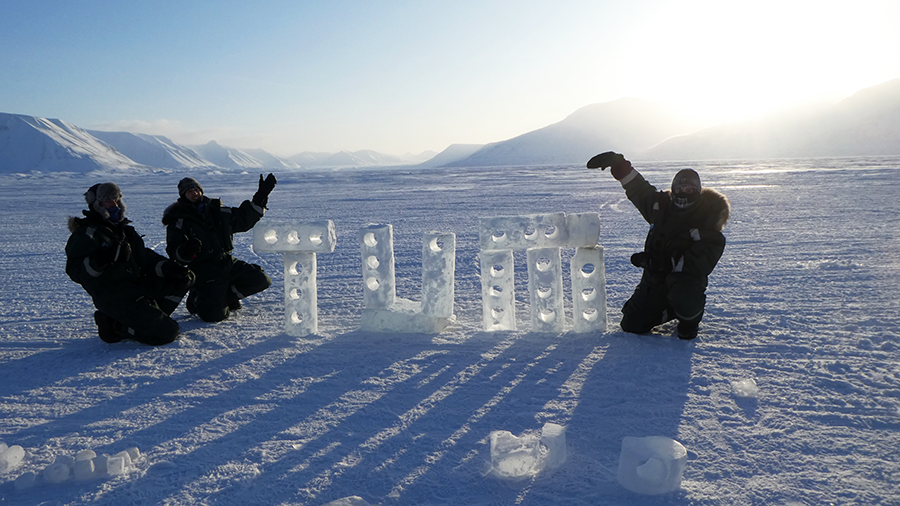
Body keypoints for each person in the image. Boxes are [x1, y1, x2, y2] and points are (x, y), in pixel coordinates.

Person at [587, 151, 730, 340]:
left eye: (689, 189)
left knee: (683, 290)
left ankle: (689, 319)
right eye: (680, 187)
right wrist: (620, 165)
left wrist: (661, 263)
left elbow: (700, 263)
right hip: (654, 280)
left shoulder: (707, 220)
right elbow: (639, 190)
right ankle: (669, 309)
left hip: (684, 282)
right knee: (632, 325)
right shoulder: (661, 207)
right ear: (673, 188)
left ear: (697, 190)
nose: (684, 192)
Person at [66, 183, 195, 345]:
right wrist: (102, 259)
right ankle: (117, 326)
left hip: (136, 286)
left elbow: (145, 258)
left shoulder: (124, 231)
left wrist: (169, 268)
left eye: (116, 200)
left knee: (185, 277)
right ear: (96, 205)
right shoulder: (87, 233)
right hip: (113, 294)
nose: (113, 205)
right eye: (107, 201)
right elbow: (75, 271)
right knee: (168, 332)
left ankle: (147, 316)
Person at [162, 174, 277, 322]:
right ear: (183, 195)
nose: (194, 193)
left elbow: (242, 219)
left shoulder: (218, 211)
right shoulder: (178, 221)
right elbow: (173, 249)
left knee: (261, 280)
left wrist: (261, 196)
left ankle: (222, 297)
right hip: (203, 270)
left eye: (196, 189)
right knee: (215, 316)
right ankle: (197, 300)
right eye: (189, 191)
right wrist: (186, 251)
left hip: (226, 262)